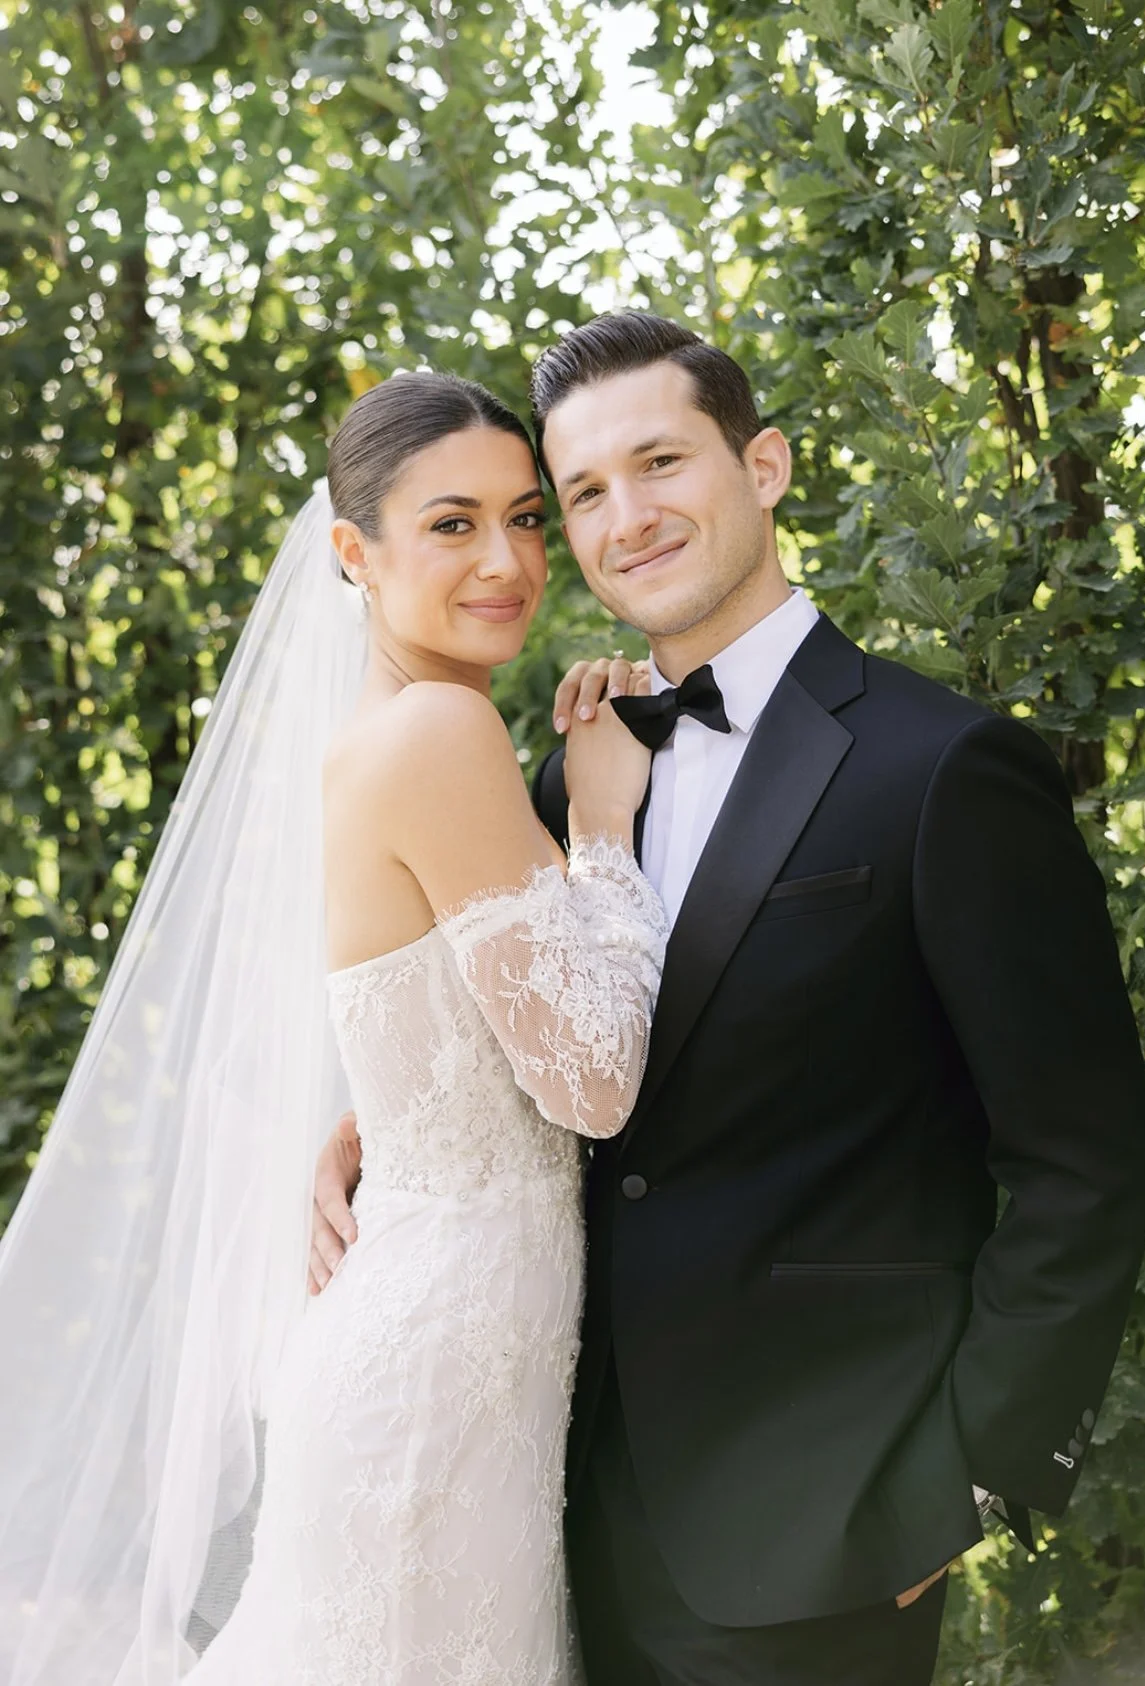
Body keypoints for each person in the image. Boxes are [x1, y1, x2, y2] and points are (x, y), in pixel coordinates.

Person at [313, 314, 1145, 1686]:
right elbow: (529, 1043)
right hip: (546, 1500)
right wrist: (367, 1126)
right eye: (581, 492)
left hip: (828, 1523)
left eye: (660, 461)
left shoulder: (942, 769)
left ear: (760, 464)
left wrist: (972, 1479)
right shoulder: (560, 773)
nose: (624, 515)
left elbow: (1086, 1162)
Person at [0, 371, 667, 1685]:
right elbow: (592, 1081)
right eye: (453, 523)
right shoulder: (436, 730)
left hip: (453, 1351)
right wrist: (602, 829)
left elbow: (443, 1026)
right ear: (354, 553)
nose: (509, 560)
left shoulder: (385, 730)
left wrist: (362, 1124)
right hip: (434, 1378)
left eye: (525, 517)